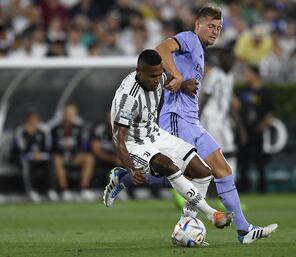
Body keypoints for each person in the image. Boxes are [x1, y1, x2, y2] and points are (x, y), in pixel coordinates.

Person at [155, 6, 277, 244]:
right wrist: (177, 78)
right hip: (176, 117)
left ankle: (243, 230)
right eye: (210, 26)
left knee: (221, 169)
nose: (214, 31)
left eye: (219, 28)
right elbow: (160, 49)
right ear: (197, 25)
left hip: (192, 121)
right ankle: (126, 175)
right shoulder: (189, 38)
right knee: (181, 172)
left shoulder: (199, 50)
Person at [103, 49, 233, 230]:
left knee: (203, 173)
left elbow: (170, 79)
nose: (157, 79)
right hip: (133, 143)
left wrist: (184, 84)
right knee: (168, 166)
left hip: (155, 133)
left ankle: (184, 225)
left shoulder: (158, 76)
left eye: (159, 74)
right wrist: (131, 168)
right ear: (139, 72)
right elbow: (118, 138)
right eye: (152, 76)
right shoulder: (128, 99)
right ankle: (212, 214)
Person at [235, 65, 274, 193]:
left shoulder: (264, 92)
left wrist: (260, 128)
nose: (245, 76)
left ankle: (262, 187)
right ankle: (244, 187)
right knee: (243, 160)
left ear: (255, 75)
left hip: (257, 131)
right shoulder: (243, 91)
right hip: (244, 131)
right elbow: (237, 107)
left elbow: (269, 113)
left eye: (248, 73)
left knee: (259, 160)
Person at [51, 103, 95, 201]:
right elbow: (53, 147)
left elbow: (82, 146)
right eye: (67, 112)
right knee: (56, 159)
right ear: (63, 113)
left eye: (71, 113)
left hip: (74, 157)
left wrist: (76, 154)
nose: (69, 115)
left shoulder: (79, 129)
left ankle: (83, 189)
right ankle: (64, 190)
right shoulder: (55, 129)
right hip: (61, 158)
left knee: (89, 158)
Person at [13, 112, 57, 202]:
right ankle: (31, 191)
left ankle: (51, 190)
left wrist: (40, 154)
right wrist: (31, 153)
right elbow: (20, 148)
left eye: (35, 120)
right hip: (26, 157)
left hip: (41, 157)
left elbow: (48, 147)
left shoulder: (43, 130)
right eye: (31, 120)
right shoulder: (21, 130)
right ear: (27, 120)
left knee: (50, 163)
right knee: (28, 164)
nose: (33, 122)